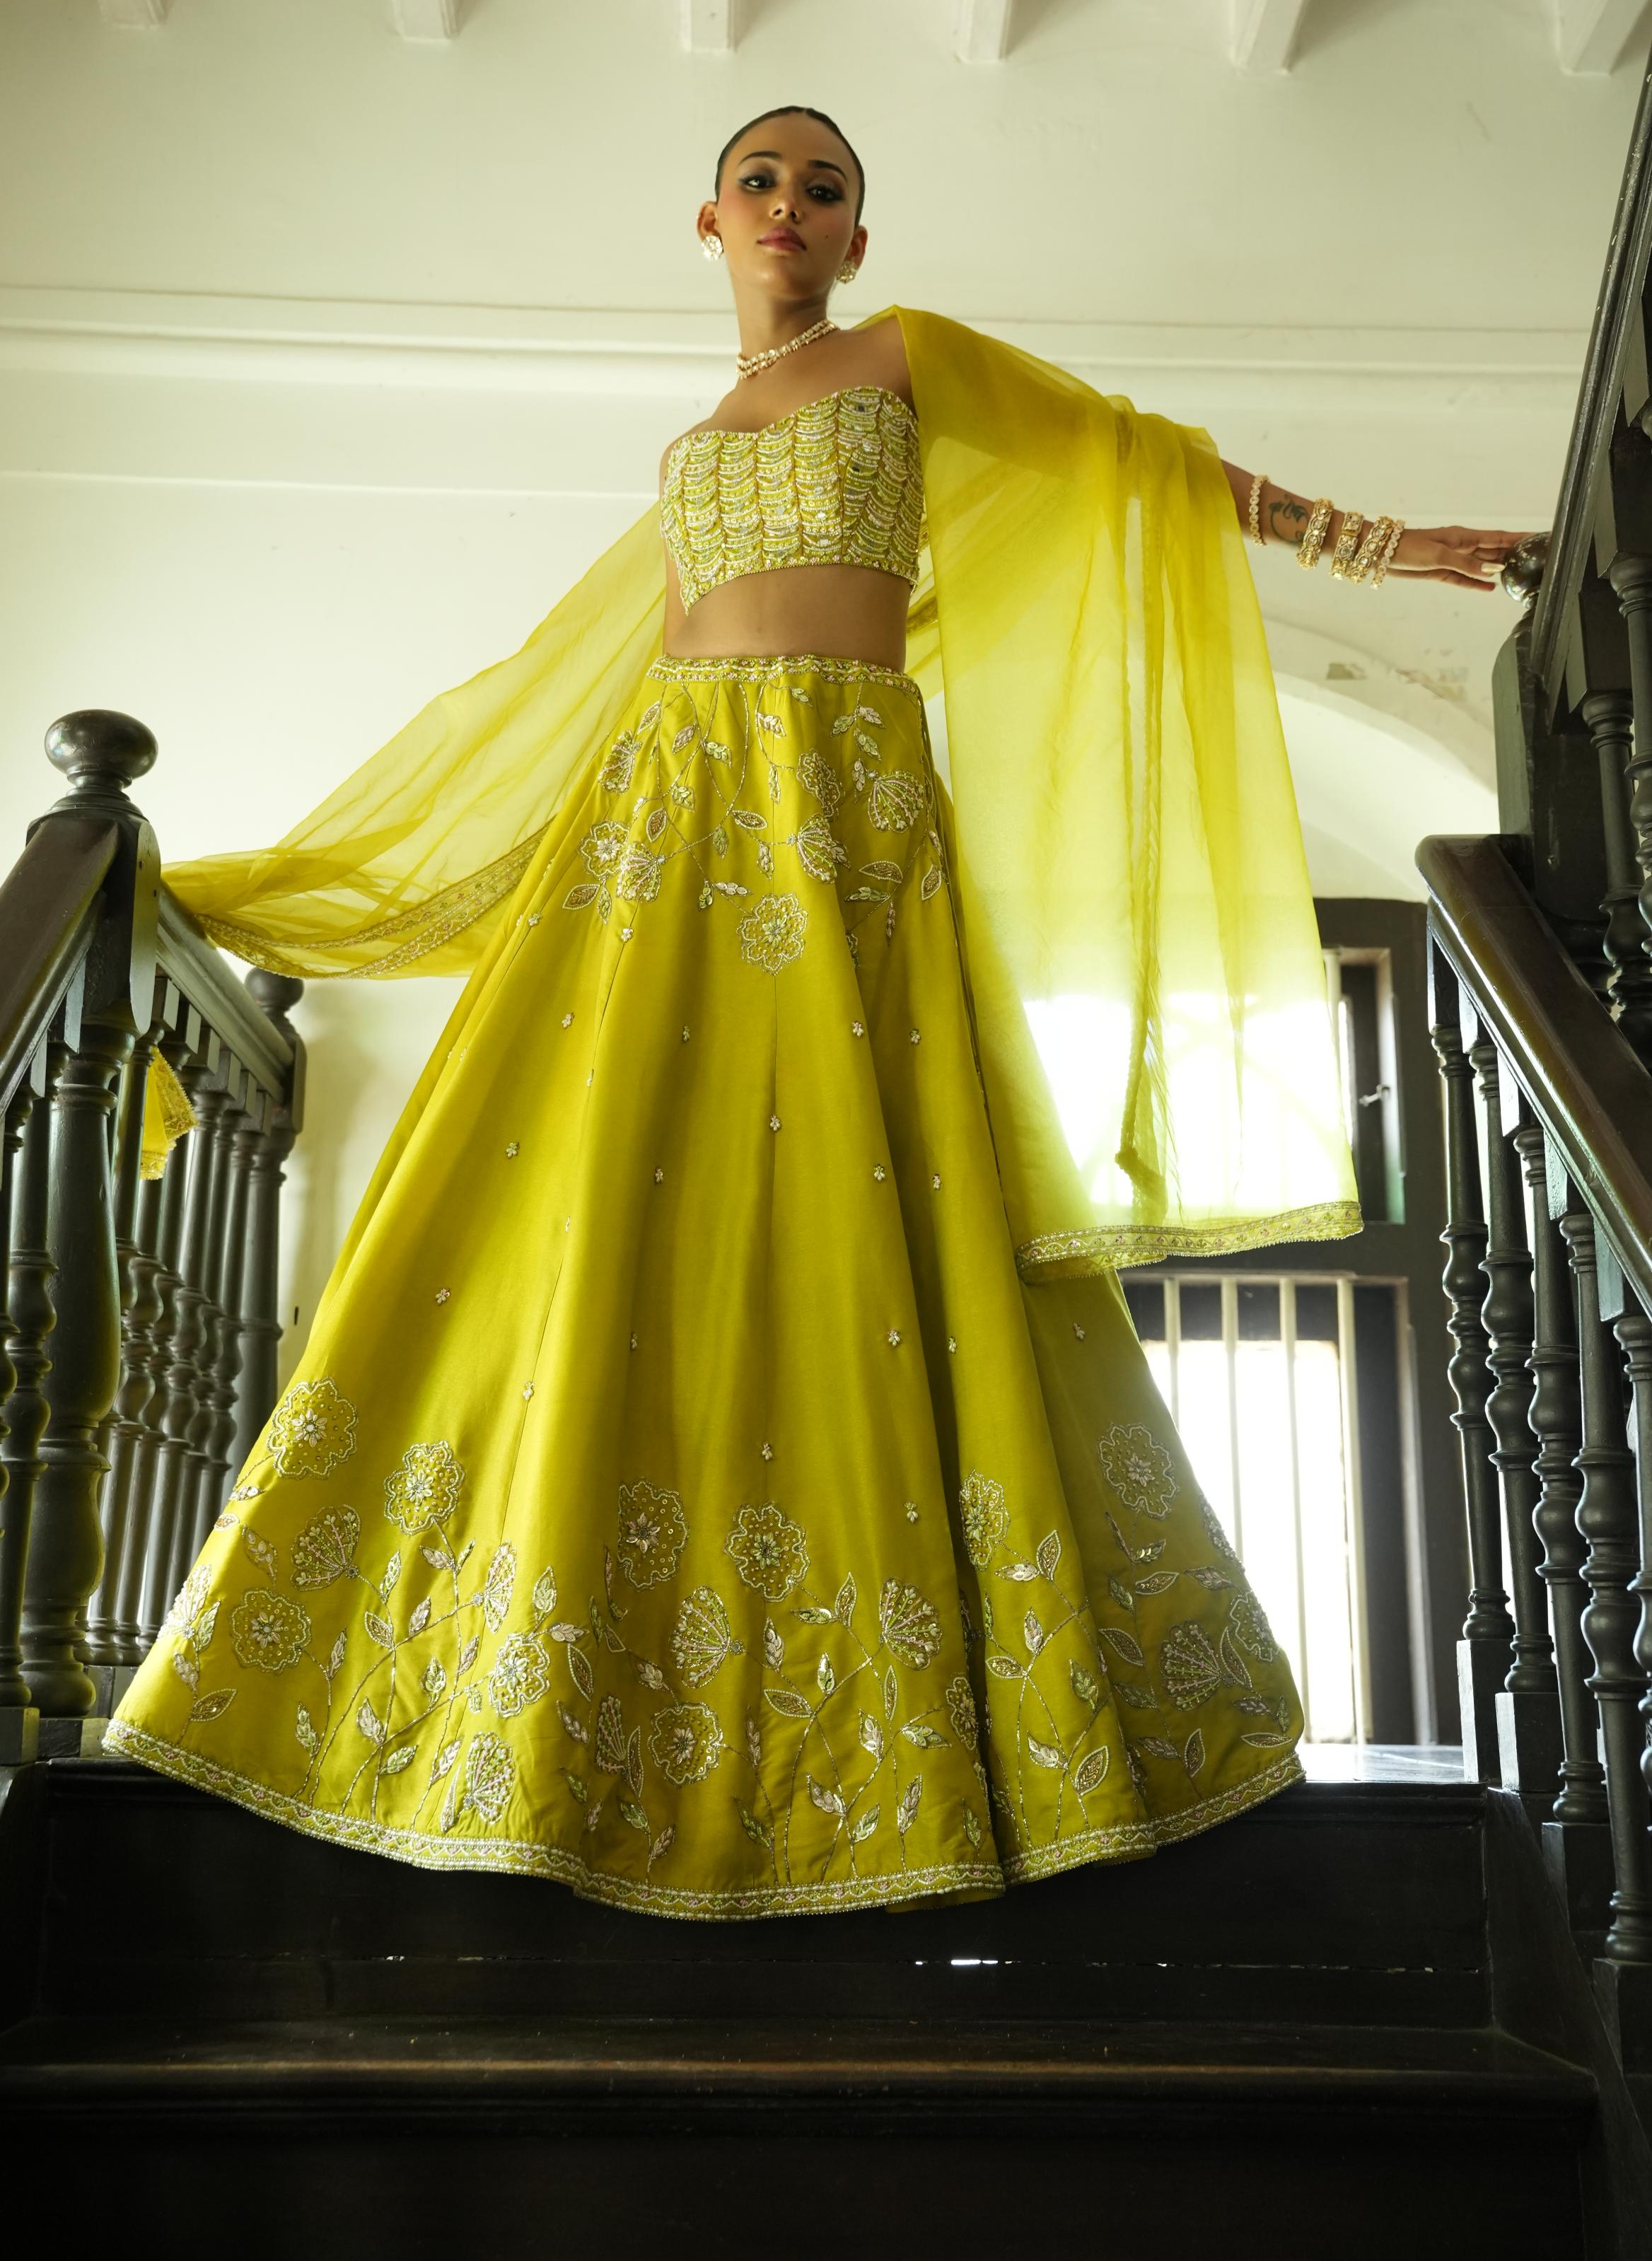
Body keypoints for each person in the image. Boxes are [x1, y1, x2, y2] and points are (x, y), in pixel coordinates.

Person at [106, 107, 1525, 1917]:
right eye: (762, 181)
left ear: (857, 237)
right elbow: (601, 673)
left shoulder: (909, 357)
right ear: (706, 223)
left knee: (885, 1196)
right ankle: (523, 1689)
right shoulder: (694, 440)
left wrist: (1391, 546)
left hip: (846, 798)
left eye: (825, 186)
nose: (793, 204)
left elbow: (1142, 470)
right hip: (674, 801)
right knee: (603, 1208)